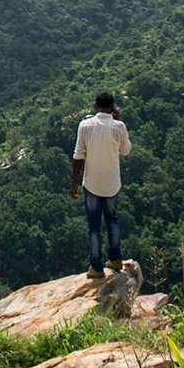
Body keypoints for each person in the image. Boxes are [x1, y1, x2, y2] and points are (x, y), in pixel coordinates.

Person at [71, 92, 132, 279]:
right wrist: (118, 123)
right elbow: (126, 151)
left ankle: (96, 267)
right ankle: (115, 258)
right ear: (112, 108)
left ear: (95, 106)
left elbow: (78, 156)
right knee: (112, 219)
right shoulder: (118, 126)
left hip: (91, 184)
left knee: (94, 225)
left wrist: (73, 183)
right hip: (112, 183)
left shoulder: (85, 125)